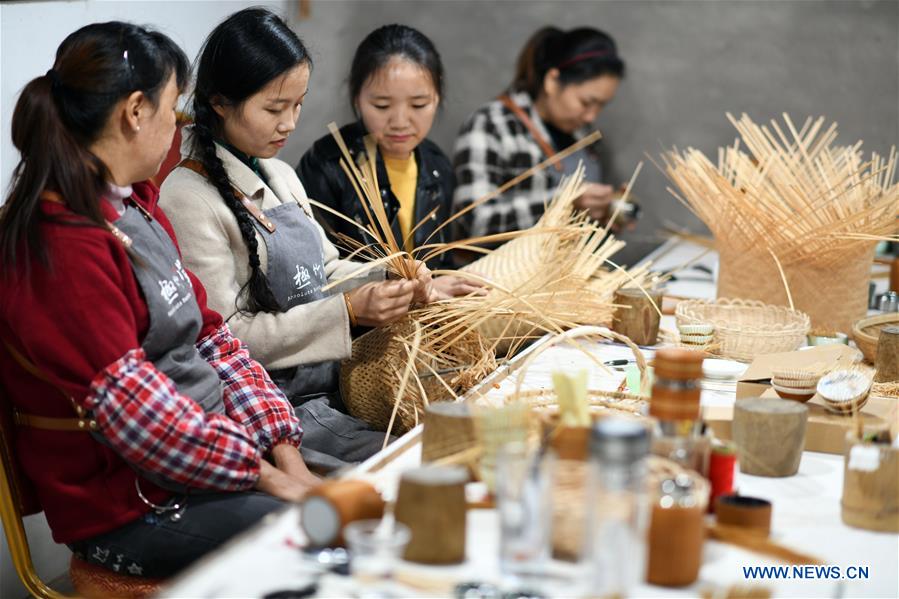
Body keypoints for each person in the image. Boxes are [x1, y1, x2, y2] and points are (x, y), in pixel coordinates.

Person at [0, 22, 317, 579]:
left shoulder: (136, 204)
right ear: (135, 112)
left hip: (206, 467)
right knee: (315, 543)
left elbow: (213, 338)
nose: (180, 124)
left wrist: (285, 451)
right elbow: (145, 421)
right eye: (173, 107)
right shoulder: (58, 247)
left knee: (342, 503)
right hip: (134, 506)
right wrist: (267, 476)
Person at [160, 10, 433, 472]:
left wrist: (390, 275)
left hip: (329, 389)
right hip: (270, 410)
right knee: (406, 468)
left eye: (298, 105)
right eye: (273, 108)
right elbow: (226, 336)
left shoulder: (281, 174)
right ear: (221, 102)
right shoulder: (187, 198)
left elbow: (325, 270)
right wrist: (347, 312)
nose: (289, 123)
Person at [298, 24, 483, 298]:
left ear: (437, 97)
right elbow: (313, 275)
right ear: (357, 98)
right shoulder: (327, 165)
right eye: (382, 106)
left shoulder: (437, 166)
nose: (400, 122)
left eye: (418, 105)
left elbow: (439, 261)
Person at [451, 26, 627, 258]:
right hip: (500, 285)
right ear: (553, 81)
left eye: (601, 106)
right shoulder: (491, 125)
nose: (591, 116)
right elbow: (473, 224)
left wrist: (607, 211)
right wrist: (563, 203)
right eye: (586, 102)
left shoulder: (584, 135)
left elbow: (576, 226)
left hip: (565, 279)